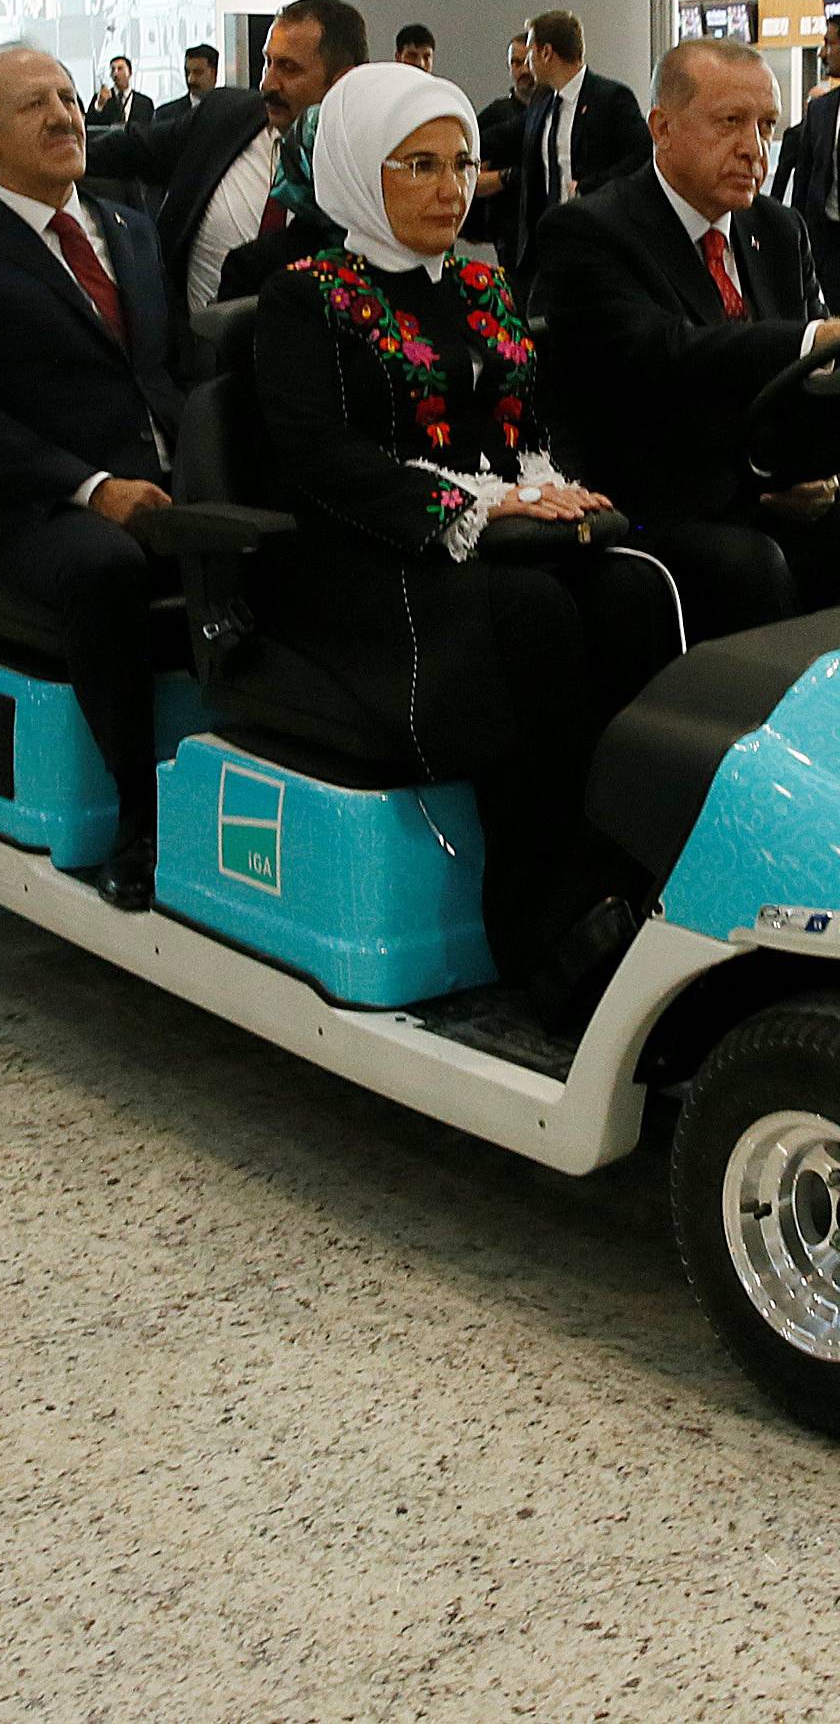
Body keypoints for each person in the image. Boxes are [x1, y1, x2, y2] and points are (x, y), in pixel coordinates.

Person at [252, 63, 671, 1023]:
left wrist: (544, 486)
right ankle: (541, 923)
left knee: (635, 589)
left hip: (495, 543)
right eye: (420, 166)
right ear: (361, 170)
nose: (450, 189)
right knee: (529, 615)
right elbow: (320, 458)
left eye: (462, 165)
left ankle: (635, 874)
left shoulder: (483, 284)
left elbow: (521, 428)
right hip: (362, 553)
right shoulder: (306, 296)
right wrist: (472, 514)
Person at [0, 44, 186, 913]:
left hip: (158, 480)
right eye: (36, 106)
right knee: (107, 566)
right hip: (24, 508)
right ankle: (142, 813)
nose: (66, 115)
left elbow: (163, 373)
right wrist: (95, 488)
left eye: (68, 96)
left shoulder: (129, 224)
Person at [535, 36, 840, 641]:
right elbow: (665, 353)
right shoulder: (590, 229)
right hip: (657, 497)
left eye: (768, 127)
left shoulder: (778, 229)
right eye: (731, 122)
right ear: (662, 128)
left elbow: (816, 383)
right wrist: (813, 338)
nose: (755, 150)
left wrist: (815, 473)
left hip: (771, 481)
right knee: (750, 565)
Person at [156, 0, 367, 323]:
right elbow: (135, 147)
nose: (267, 83)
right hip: (191, 356)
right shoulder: (225, 115)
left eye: (288, 68)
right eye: (268, 61)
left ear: (340, 82)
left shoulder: (374, 178)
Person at [514, 9, 653, 281]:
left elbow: (643, 155)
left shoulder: (611, 98)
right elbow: (510, 136)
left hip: (598, 236)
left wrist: (590, 186)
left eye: (530, 51)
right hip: (547, 241)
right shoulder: (543, 102)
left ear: (546, 52)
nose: (527, 62)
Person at [774, 14, 840, 302]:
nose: (822, 52)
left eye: (829, 42)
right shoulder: (821, 111)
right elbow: (803, 184)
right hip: (829, 252)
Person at [467, 33, 536, 266]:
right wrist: (510, 177)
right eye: (516, 63)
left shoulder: (560, 113)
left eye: (528, 61)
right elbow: (469, 180)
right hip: (511, 234)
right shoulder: (496, 116)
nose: (523, 70)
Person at [155, 45, 221, 130]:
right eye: (187, 72)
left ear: (213, 73)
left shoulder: (228, 113)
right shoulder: (165, 115)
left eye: (198, 72)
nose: (190, 80)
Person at [86, 54, 153, 130]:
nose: (115, 73)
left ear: (130, 72)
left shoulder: (145, 103)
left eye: (120, 69)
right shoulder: (100, 98)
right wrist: (99, 106)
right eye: (113, 70)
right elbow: (89, 125)